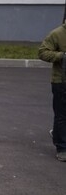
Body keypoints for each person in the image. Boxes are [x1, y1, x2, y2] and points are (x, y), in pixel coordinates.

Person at [38, 15, 66, 162]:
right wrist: (61, 56)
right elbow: (42, 52)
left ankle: (57, 133)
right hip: (61, 81)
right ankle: (62, 148)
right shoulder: (57, 34)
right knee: (62, 115)